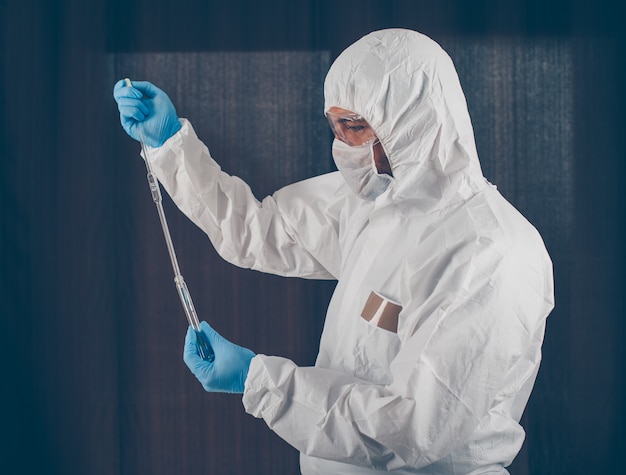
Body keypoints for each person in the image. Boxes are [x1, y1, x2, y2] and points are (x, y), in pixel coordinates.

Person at [113, 29, 554, 474]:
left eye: (356, 127)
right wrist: (170, 144)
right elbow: (256, 230)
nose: (342, 146)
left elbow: (412, 428)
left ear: (414, 124)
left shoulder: (490, 253)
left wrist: (259, 382)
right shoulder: (376, 203)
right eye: (336, 126)